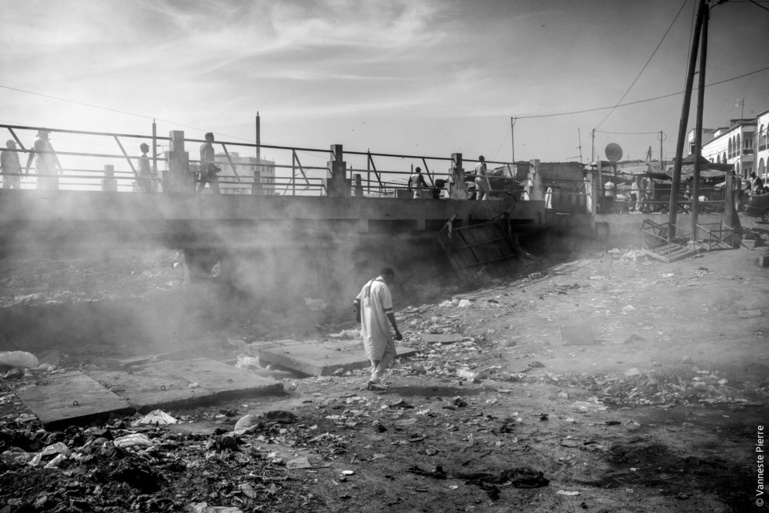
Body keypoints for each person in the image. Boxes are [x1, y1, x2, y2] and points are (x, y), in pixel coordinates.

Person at [353, 267, 402, 391]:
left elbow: (356, 301)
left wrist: (358, 316)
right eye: (392, 277)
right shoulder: (383, 287)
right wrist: (396, 330)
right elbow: (389, 311)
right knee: (390, 351)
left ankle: (374, 382)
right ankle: (374, 379)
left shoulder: (368, 284)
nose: (393, 280)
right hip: (379, 324)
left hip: (367, 326)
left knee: (375, 354)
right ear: (389, 276)